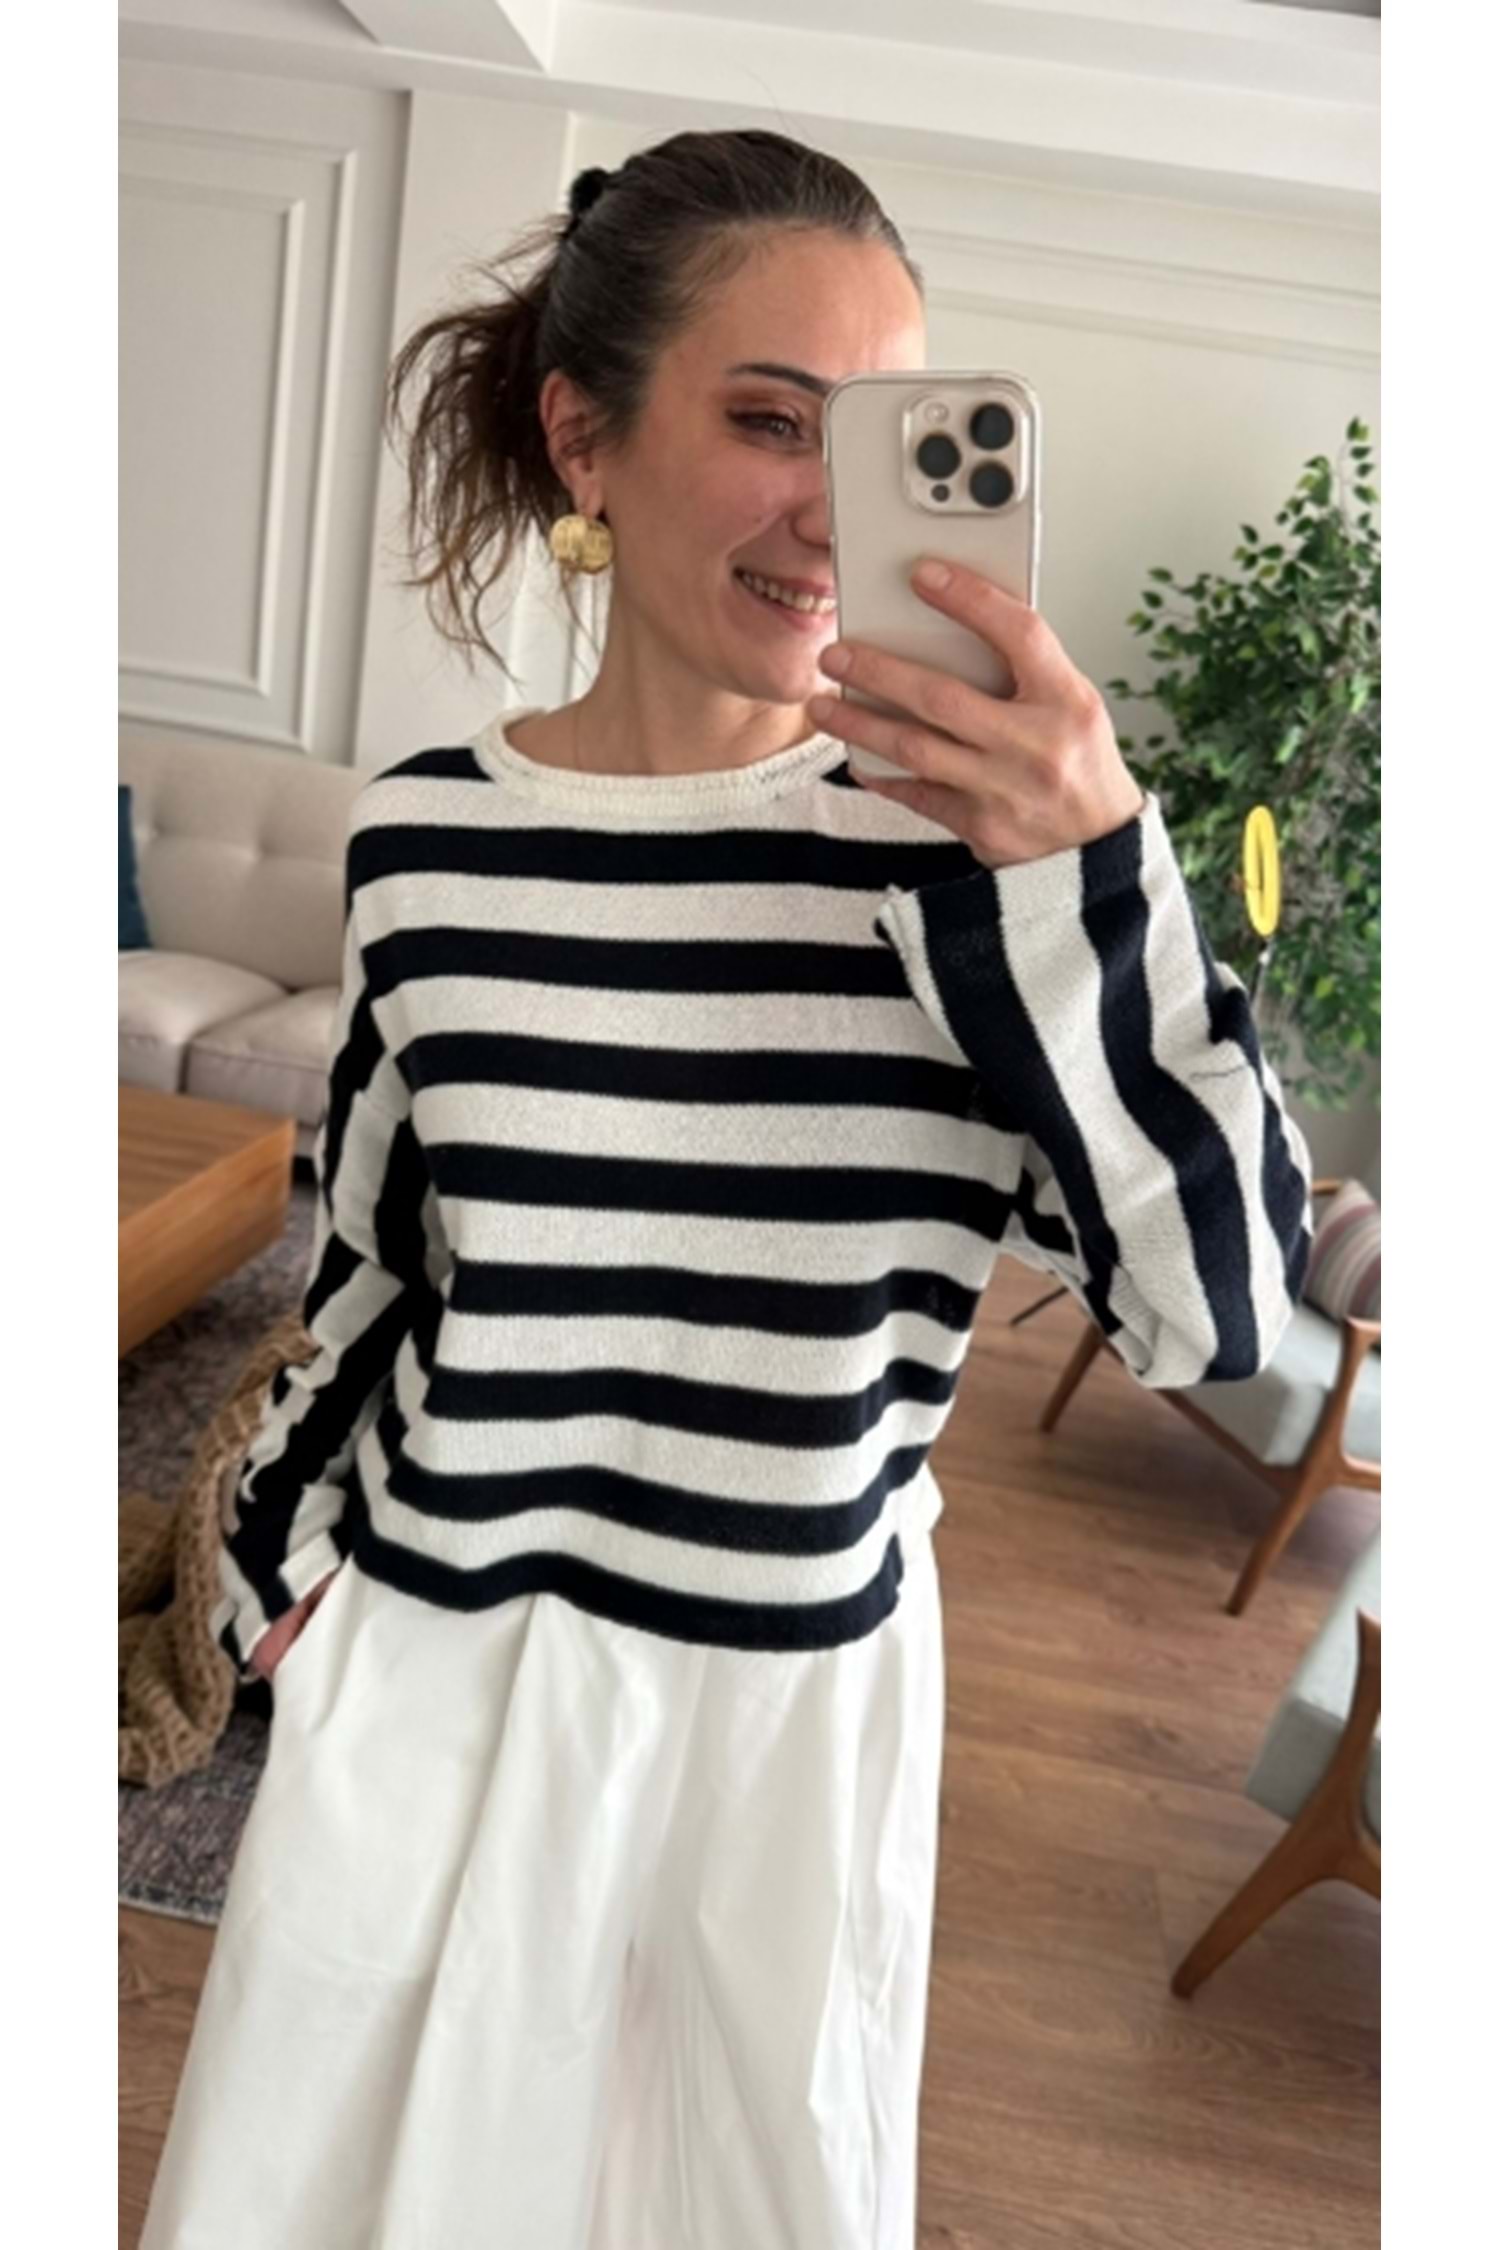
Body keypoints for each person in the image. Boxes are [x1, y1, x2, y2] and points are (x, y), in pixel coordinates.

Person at [140, 127, 1315, 2250]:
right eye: (774, 423)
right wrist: (280, 1590)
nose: (831, 511)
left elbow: (1215, 1313)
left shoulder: (982, 865)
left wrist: (1090, 874)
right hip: (428, 1667)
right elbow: (382, 1268)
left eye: (879, 440)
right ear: (584, 439)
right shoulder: (426, 839)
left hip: (778, 1727)